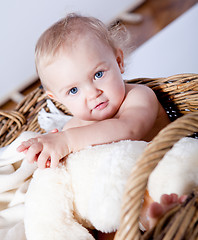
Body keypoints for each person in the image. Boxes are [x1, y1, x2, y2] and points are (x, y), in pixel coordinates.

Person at [17, 13, 176, 238]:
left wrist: (67, 141)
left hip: (158, 177)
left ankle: (165, 219)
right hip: (112, 205)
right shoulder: (73, 126)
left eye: (98, 74)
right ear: (57, 99)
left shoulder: (138, 97)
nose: (93, 94)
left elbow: (130, 129)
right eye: (74, 90)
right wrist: (50, 153)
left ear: (119, 61)